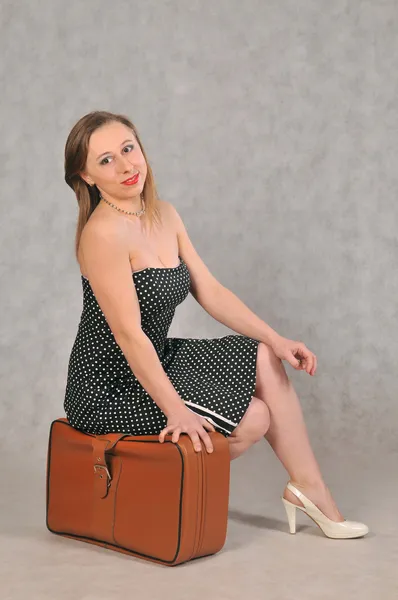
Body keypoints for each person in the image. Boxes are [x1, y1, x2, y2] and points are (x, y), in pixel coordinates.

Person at [63, 110, 369, 540]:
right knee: (253, 419)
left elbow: (209, 289)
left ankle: (310, 490)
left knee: (262, 354)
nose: (127, 166)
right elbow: (130, 336)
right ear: (87, 176)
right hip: (109, 386)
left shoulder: (163, 215)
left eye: (128, 149)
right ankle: (154, 487)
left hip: (157, 357)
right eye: (106, 160)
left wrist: (277, 339)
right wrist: (176, 412)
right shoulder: (102, 234)